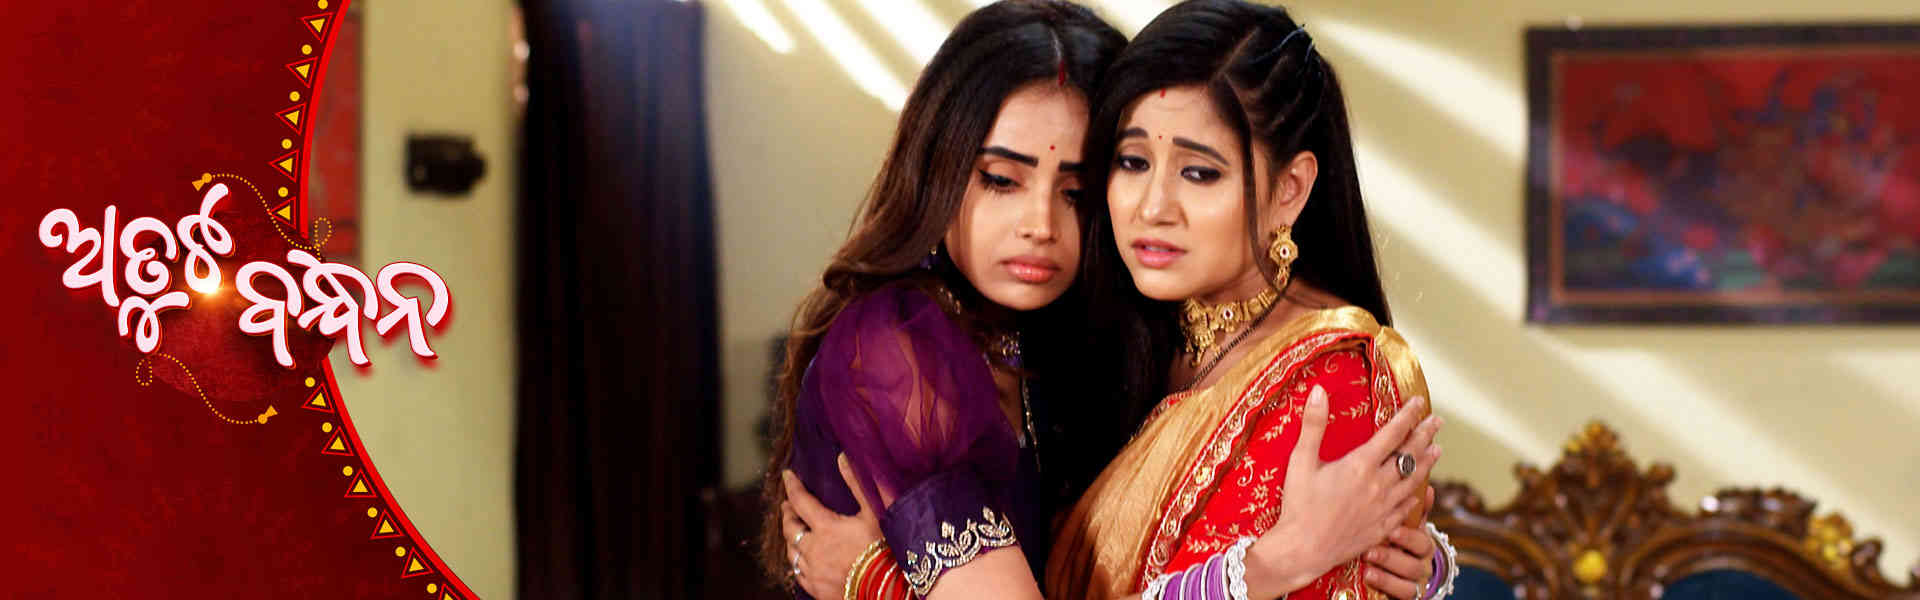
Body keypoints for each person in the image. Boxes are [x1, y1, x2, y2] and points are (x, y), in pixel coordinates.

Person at [1046, 1, 1457, 599]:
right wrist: (1274, 563)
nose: (1151, 207)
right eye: (1132, 162)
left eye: (1199, 173)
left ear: (1289, 189)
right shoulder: (1129, 335)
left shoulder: (1333, 379)